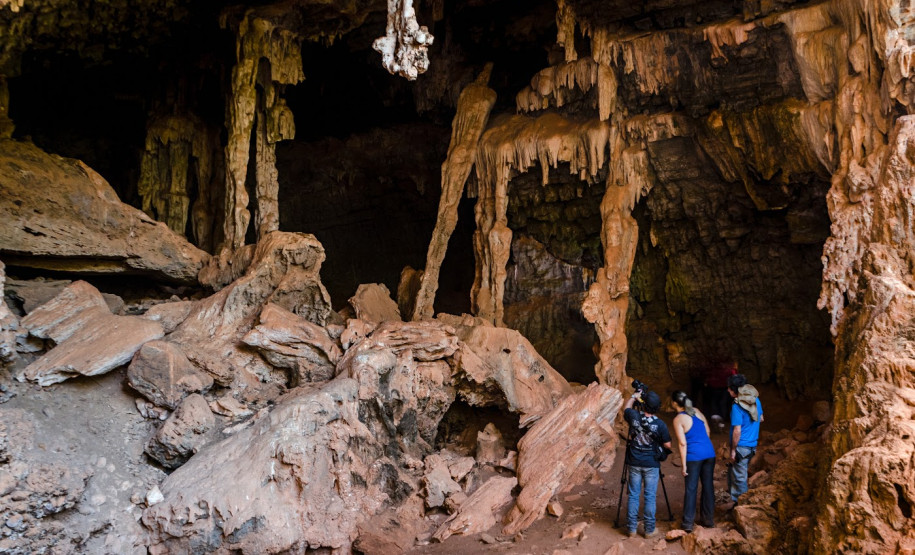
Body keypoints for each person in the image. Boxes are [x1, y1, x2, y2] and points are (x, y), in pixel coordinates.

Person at [623, 389, 672, 538]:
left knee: (633, 495)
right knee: (650, 496)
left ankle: (631, 529)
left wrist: (634, 396)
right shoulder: (660, 424)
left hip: (634, 461)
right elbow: (668, 445)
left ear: (643, 404)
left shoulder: (634, 416)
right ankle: (649, 530)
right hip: (651, 463)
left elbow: (626, 408)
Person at [671, 390, 716, 531]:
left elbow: (682, 443)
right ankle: (708, 519)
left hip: (693, 456)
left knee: (691, 488)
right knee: (708, 486)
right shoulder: (697, 411)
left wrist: (684, 465)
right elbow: (707, 431)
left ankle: (688, 523)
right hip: (709, 453)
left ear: (674, 403)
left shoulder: (678, 419)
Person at [727, 373, 763, 506]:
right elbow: (761, 418)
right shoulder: (755, 400)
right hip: (752, 444)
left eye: (729, 388)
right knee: (737, 473)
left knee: (739, 478)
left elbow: (737, 431)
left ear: (734, 390)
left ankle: (742, 507)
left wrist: (733, 450)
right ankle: (737, 502)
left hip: (741, 446)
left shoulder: (737, 406)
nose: (727, 390)